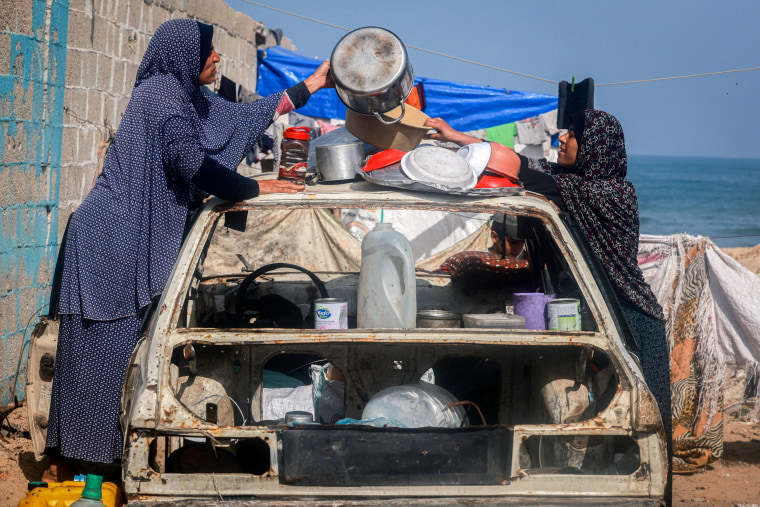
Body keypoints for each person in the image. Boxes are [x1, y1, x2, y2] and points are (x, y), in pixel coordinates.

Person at [44, 18, 333, 476]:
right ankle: (91, 469)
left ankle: (87, 462)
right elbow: (193, 165)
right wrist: (261, 190)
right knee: (103, 356)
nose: (216, 58)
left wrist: (312, 85)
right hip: (111, 240)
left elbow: (244, 116)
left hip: (125, 236)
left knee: (113, 357)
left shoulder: (188, 97)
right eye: (209, 52)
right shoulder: (163, 101)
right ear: (185, 57)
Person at [426, 111, 672, 497]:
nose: (561, 139)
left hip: (631, 320)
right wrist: (452, 135)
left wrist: (455, 143)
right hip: (597, 317)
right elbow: (519, 162)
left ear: (595, 147)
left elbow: (518, 168)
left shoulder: (610, 193)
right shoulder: (571, 183)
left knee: (641, 430)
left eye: (571, 135)